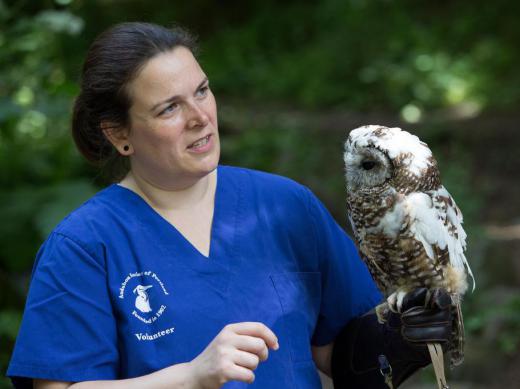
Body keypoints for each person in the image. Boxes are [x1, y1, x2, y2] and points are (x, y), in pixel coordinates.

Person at [7, 22, 453, 388]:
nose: (199, 117)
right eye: (169, 109)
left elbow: (336, 355)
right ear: (119, 134)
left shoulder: (285, 206)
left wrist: (396, 339)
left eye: (202, 91)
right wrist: (190, 377)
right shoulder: (84, 245)